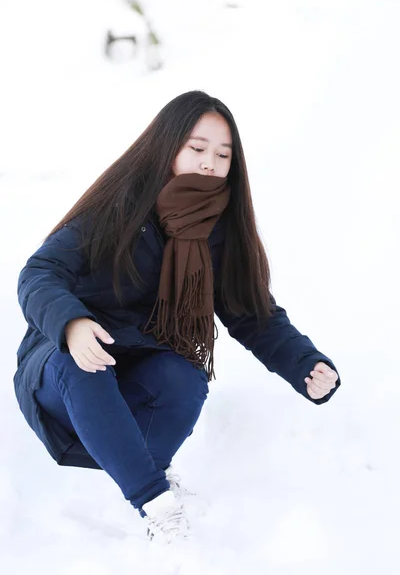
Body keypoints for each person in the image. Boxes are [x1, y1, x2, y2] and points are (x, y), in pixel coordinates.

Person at [14, 90, 341, 544]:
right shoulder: (118, 208)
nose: (210, 162)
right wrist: (71, 324)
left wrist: (303, 362)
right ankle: (156, 501)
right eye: (198, 148)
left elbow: (252, 312)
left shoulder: (220, 231)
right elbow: (39, 272)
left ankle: (140, 471)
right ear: (169, 146)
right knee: (86, 362)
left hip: (138, 370)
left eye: (223, 154)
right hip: (63, 366)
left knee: (185, 378)